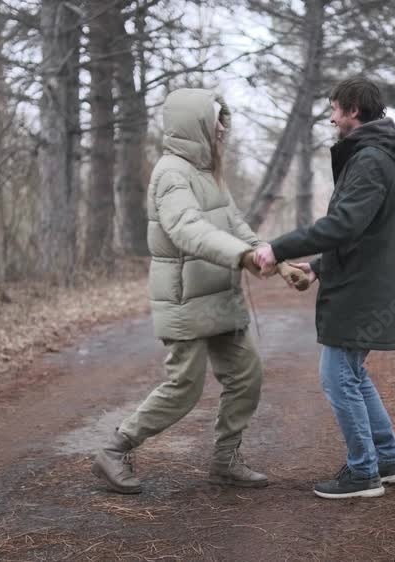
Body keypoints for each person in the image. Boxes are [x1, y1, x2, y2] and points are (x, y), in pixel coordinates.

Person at [92, 89, 300, 494]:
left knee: (246, 376)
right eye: (216, 119)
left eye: (223, 119)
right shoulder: (172, 173)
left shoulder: (207, 172)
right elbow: (187, 229)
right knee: (183, 388)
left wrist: (278, 261)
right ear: (196, 123)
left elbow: (235, 225)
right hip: (185, 299)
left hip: (220, 297)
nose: (222, 127)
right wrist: (242, 257)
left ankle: (225, 461)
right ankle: (114, 449)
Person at [254, 77, 395, 499]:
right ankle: (389, 459)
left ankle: (363, 473)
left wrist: (278, 247)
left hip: (360, 290)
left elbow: (343, 225)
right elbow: (363, 233)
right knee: (352, 374)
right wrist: (318, 266)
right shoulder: (376, 156)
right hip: (361, 282)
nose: (331, 118)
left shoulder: (370, 160)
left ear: (353, 110)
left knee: (337, 376)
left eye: (334, 109)